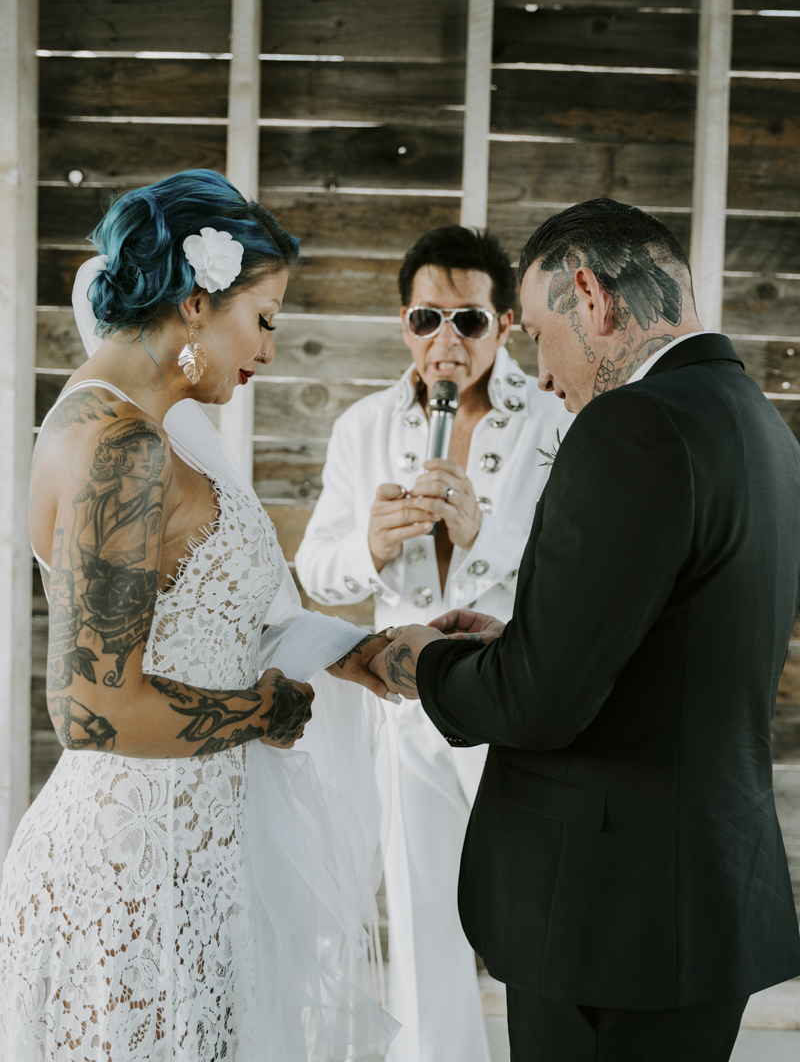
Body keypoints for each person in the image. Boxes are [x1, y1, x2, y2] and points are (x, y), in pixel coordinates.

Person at [370, 198, 800, 1062]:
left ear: (591, 298)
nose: (547, 369)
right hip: (701, 898)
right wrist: (519, 638)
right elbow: (670, 643)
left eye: (537, 332)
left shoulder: (632, 424)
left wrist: (426, 663)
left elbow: (539, 703)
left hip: (611, 916)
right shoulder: (759, 424)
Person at [0, 170, 399, 1061]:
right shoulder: (120, 448)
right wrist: (266, 710)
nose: (269, 351)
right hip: (130, 871)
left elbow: (217, 615)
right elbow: (89, 710)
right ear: (194, 302)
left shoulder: (144, 425)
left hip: (189, 859)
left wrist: (364, 652)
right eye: (262, 319)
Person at [295, 226, 573, 1062]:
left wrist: (482, 536)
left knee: (538, 909)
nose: (446, 341)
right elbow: (320, 569)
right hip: (408, 703)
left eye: (470, 320)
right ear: (403, 324)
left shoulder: (554, 421)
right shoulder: (362, 426)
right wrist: (368, 550)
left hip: (515, 696)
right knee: (421, 916)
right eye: (426, 319)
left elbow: (582, 573)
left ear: (505, 325)